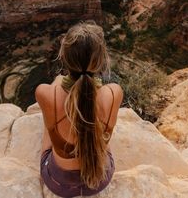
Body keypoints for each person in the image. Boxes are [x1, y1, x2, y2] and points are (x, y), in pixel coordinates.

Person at [35, 22, 123, 197]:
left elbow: (59, 87)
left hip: (58, 182)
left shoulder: (45, 93)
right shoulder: (114, 93)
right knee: (100, 128)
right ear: (101, 60)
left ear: (64, 56)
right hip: (100, 179)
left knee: (49, 122)